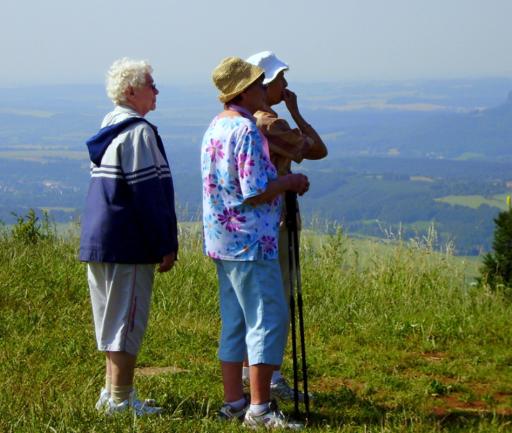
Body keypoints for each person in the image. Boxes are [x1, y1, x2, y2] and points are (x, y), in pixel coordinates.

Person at [202, 56, 309, 429]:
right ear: (244, 91)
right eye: (260, 84)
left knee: (234, 319)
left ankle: (233, 400)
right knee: (266, 318)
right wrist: (290, 183)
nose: (265, 90)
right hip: (252, 239)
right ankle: (259, 410)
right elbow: (255, 189)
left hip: (222, 239)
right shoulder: (247, 130)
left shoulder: (215, 126)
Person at [79, 58, 178, 416]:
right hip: (128, 242)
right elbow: (147, 194)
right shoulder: (140, 132)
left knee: (110, 316)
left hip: (99, 238)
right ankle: (121, 400)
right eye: (151, 84)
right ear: (131, 91)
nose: (156, 90)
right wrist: (165, 243)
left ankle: (111, 393)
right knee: (126, 320)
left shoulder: (108, 125)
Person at [244, 51, 327, 401]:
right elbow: (319, 149)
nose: (286, 84)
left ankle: (255, 375)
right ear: (265, 84)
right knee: (277, 299)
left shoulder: (247, 120)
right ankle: (271, 377)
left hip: (255, 224)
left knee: (258, 301)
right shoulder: (270, 124)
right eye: (280, 79)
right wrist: (295, 112)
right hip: (276, 220)